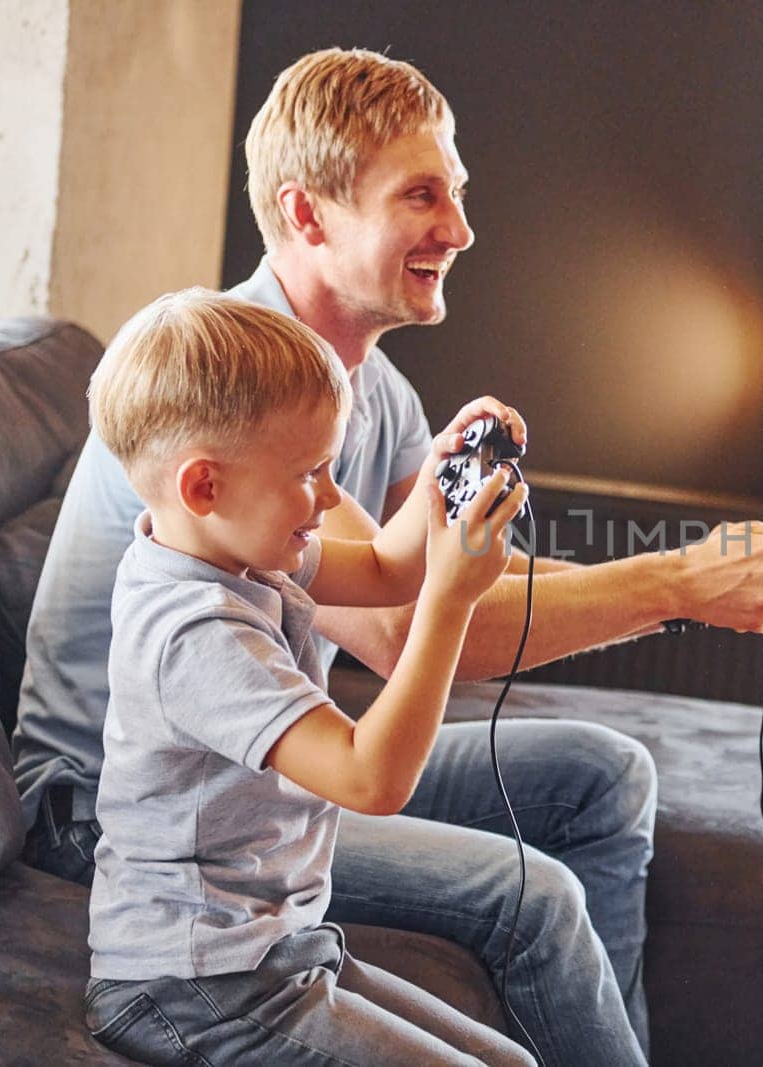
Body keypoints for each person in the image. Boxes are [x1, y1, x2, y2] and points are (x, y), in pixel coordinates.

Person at [12, 47, 763, 1062]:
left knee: (602, 772)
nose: (460, 230)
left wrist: (679, 575)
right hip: (122, 810)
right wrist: (679, 582)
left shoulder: (361, 391)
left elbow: (416, 564)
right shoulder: (230, 407)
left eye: (456, 193)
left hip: (269, 758)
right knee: (532, 893)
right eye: (423, 196)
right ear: (309, 214)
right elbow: (411, 628)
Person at [81, 290, 548, 1064]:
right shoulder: (194, 630)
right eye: (312, 472)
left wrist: (439, 469)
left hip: (275, 949)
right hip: (192, 985)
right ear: (205, 485)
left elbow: (386, 569)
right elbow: (372, 780)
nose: (333, 497)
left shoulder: (228, 544)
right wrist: (453, 599)